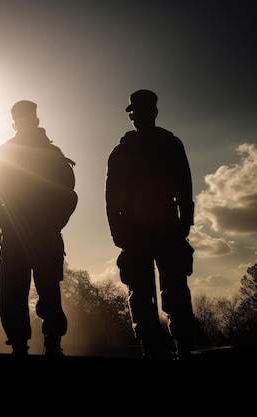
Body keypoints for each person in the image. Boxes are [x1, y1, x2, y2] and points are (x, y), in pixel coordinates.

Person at [105, 89, 198, 360]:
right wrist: (119, 231)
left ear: (151, 113)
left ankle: (173, 345)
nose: (135, 116)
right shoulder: (138, 149)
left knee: (166, 288)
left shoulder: (160, 146)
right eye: (134, 112)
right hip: (147, 229)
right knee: (150, 289)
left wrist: (184, 222)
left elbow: (184, 185)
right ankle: (163, 345)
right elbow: (113, 198)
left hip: (157, 228)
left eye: (138, 111)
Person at [0, 100, 77, 356]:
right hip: (22, 233)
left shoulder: (48, 153)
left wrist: (53, 223)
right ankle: (25, 344)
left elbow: (68, 194)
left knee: (42, 290)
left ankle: (47, 343)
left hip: (34, 233)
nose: (22, 124)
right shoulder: (15, 151)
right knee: (18, 291)